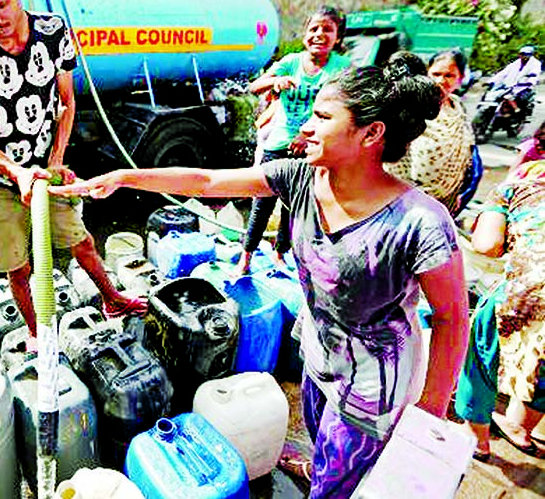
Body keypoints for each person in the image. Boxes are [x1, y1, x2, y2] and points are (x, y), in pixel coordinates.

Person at [52, 65, 469, 497]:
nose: (306, 125)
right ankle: (323, 468)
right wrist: (124, 178)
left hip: (371, 384)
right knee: (320, 440)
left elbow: (452, 317)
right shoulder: (301, 178)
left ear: (370, 133)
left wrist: (429, 413)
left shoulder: (419, 222)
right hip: (318, 353)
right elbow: (207, 180)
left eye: (324, 118)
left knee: (336, 481)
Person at [0, 0, 145, 345]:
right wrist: (19, 174)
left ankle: (112, 298)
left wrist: (55, 160)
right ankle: (41, 337)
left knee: (82, 241)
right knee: (18, 268)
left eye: (0, 5)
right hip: (0, 183)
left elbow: (68, 103)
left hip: (48, 170)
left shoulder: (53, 33)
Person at [239, 6, 351, 272]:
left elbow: (343, 108)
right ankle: (245, 258)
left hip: (314, 148)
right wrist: (276, 82)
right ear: (305, 35)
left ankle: (280, 253)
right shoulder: (291, 61)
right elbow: (255, 86)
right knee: (262, 203)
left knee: (296, 208)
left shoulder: (341, 68)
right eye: (314, 29)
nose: (319, 34)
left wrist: (306, 134)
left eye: (327, 29)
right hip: (279, 144)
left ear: (337, 37)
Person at [455, 160, 545, 461]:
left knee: (482, 354)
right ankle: (519, 427)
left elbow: (486, 245)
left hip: (525, 295)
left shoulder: (514, 189)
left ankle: (477, 439)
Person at [387, 49, 474, 215]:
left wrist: (454, 191)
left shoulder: (458, 108)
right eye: (436, 73)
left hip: (444, 196)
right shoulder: (412, 103)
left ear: (460, 79)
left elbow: (463, 153)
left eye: (449, 75)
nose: (441, 80)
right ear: (427, 75)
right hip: (403, 195)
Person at [488, 45, 541, 117]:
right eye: (522, 54)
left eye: (526, 54)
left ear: (530, 55)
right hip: (511, 85)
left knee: (510, 97)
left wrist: (530, 81)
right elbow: (504, 72)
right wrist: (491, 81)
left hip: (524, 86)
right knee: (496, 95)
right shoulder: (515, 63)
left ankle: (517, 110)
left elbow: (535, 73)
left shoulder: (536, 63)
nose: (523, 56)